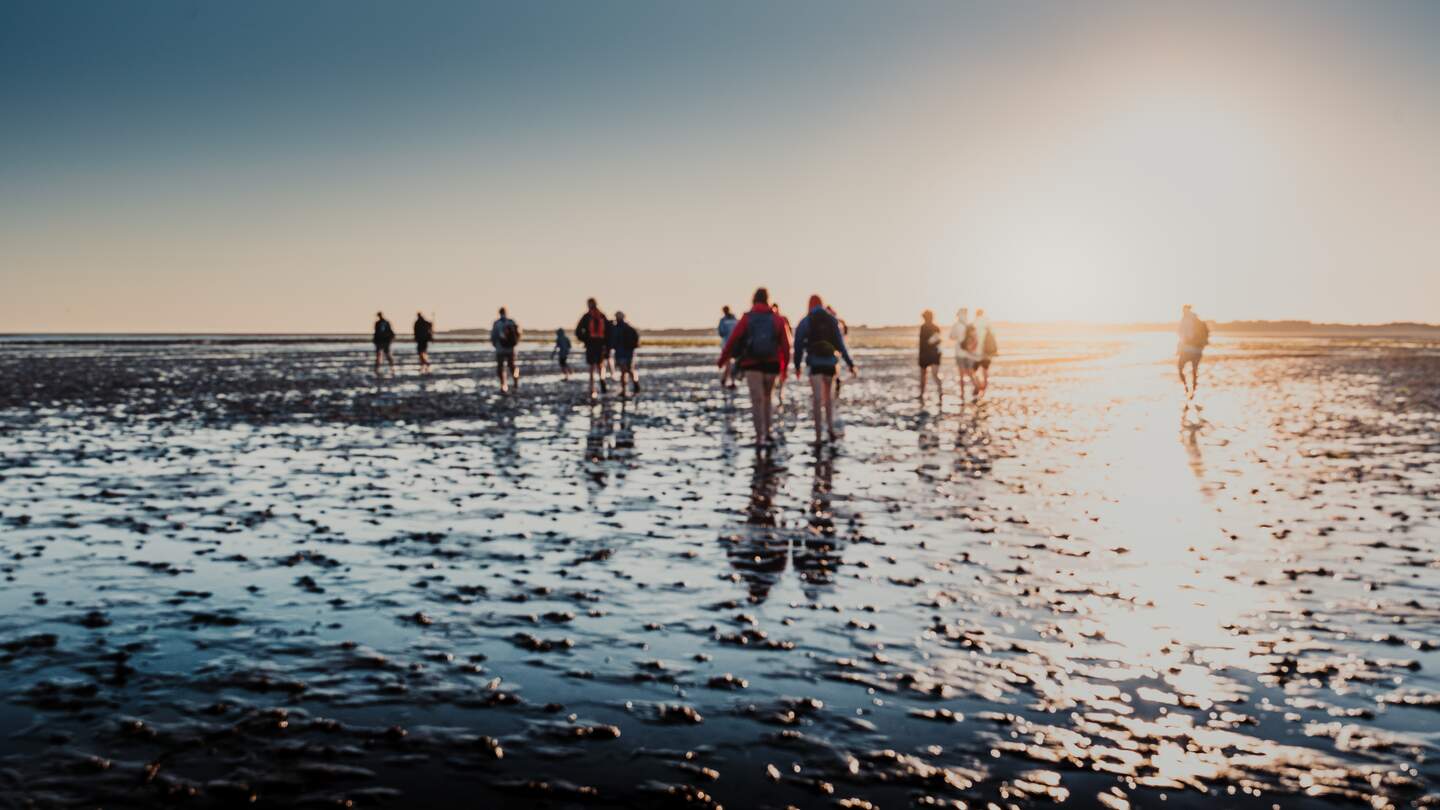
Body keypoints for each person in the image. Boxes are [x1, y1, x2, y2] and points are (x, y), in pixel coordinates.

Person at [718, 287, 791, 449]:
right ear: (767, 299)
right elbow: (786, 346)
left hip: (752, 365)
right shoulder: (777, 319)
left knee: (756, 401)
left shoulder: (747, 318)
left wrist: (723, 359)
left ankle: (759, 437)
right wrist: (784, 368)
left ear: (754, 299)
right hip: (772, 365)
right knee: (767, 398)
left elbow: (732, 339)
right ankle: (768, 432)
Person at [793, 294, 857, 444]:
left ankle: (817, 436)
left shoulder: (806, 320)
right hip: (830, 364)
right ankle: (830, 429)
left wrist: (797, 366)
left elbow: (798, 345)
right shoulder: (832, 320)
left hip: (815, 364)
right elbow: (841, 345)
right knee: (829, 398)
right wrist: (850, 364)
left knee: (817, 400)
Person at [575, 298, 611, 399]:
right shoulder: (599, 316)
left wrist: (585, 339)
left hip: (595, 345)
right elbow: (578, 331)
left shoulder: (592, 316)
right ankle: (596, 386)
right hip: (596, 345)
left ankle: (596, 386)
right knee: (597, 366)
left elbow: (578, 331)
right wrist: (586, 339)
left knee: (595, 367)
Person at [949, 308, 981, 401]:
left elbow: (951, 337)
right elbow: (976, 338)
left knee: (961, 374)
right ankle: (976, 385)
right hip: (970, 353)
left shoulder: (956, 325)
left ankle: (962, 394)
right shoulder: (970, 325)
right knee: (971, 372)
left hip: (960, 352)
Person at [1177, 304, 1208, 398]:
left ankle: (1188, 387)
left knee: (1181, 368)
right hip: (1197, 350)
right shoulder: (1197, 320)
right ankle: (1193, 388)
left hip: (1188, 350)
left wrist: (1179, 348)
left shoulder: (1187, 321)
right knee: (1194, 369)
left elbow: (1182, 335)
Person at [490, 307, 521, 393]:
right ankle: (516, 381)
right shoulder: (511, 322)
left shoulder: (497, 323)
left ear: (499, 313)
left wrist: (495, 344)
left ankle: (503, 384)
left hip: (500, 349)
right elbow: (518, 334)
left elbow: (493, 336)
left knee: (501, 367)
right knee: (512, 366)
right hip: (511, 349)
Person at [612, 311, 641, 397]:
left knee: (624, 371)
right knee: (627, 370)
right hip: (627, 352)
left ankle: (626, 388)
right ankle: (632, 385)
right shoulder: (628, 327)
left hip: (623, 352)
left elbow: (614, 340)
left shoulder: (618, 328)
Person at [771, 303, 793, 409]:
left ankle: (779, 392)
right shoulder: (781, 319)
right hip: (779, 352)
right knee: (781, 372)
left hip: (776, 352)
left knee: (779, 373)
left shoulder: (775, 319)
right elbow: (789, 336)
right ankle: (779, 393)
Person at [918, 309, 943, 404]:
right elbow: (939, 341)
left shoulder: (923, 327)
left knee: (924, 375)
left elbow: (924, 343)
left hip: (926, 354)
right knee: (934, 374)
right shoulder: (935, 327)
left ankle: (922, 393)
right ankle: (940, 392)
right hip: (934, 354)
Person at [974, 308, 998, 399]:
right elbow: (993, 336)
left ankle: (979, 385)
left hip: (976, 353)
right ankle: (983, 391)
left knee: (974, 371)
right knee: (985, 371)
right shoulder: (988, 323)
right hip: (987, 352)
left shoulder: (974, 322)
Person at [827, 305, 849, 404]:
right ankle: (833, 392)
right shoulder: (834, 320)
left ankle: (834, 392)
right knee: (834, 373)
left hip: (833, 352)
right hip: (834, 353)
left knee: (834, 374)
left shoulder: (833, 320)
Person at [717, 306, 739, 388]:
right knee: (733, 364)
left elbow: (721, 332)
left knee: (728, 364)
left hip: (726, 344)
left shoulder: (723, 321)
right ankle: (731, 381)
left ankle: (724, 380)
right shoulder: (735, 320)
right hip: (735, 344)